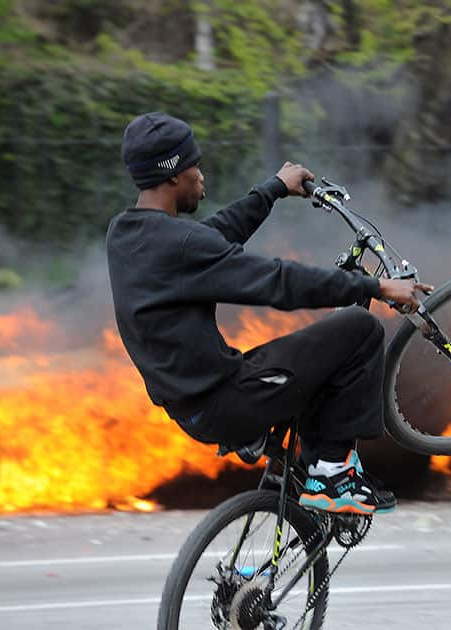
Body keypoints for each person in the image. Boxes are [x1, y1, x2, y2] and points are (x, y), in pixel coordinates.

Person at [106, 112, 430, 515]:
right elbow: (278, 281)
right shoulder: (182, 245)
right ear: (173, 175)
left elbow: (208, 238)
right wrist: (376, 286)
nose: (201, 176)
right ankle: (332, 475)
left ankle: (302, 489)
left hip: (188, 407)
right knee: (359, 327)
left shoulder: (125, 234)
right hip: (227, 401)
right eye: (195, 165)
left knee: (310, 362)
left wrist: (273, 190)